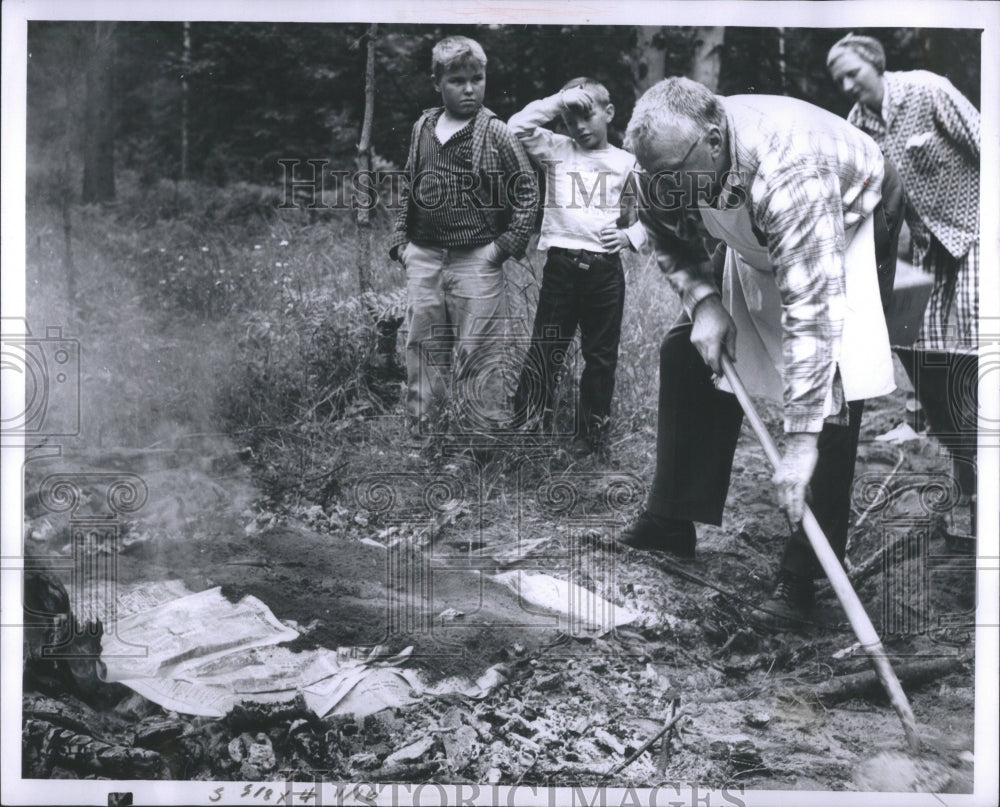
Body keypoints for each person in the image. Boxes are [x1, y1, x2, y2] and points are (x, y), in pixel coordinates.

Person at [620, 77, 905, 628]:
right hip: (759, 229)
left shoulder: (789, 169)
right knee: (686, 352)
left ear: (714, 139)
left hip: (848, 217)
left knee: (835, 392)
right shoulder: (666, 162)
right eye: (657, 178)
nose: (667, 189)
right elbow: (663, 229)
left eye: (676, 176)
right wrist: (703, 300)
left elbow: (813, 312)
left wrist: (799, 445)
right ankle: (671, 518)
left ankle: (805, 575)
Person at [827, 34, 980, 514]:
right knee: (927, 355)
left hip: (979, 228)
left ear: (877, 63)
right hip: (929, 247)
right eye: (840, 81)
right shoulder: (857, 127)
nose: (849, 85)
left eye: (854, 72)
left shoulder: (928, 91)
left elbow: (985, 144)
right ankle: (966, 471)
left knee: (980, 339)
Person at [389, 36, 538, 440]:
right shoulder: (423, 126)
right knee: (424, 349)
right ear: (437, 81)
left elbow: (527, 190)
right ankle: (427, 436)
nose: (470, 88)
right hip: (424, 255)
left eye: (478, 78)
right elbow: (409, 183)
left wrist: (502, 247)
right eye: (457, 80)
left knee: (480, 351)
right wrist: (403, 244)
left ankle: (481, 441)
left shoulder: (496, 132)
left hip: (477, 257)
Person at [507, 78, 646, 455]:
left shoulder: (626, 162)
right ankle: (527, 423)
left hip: (604, 272)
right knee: (545, 347)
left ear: (609, 113)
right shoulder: (555, 149)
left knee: (600, 355)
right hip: (561, 267)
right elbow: (515, 127)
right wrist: (559, 100)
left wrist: (632, 237)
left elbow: (655, 213)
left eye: (587, 116)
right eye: (570, 120)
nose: (579, 127)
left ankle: (590, 435)